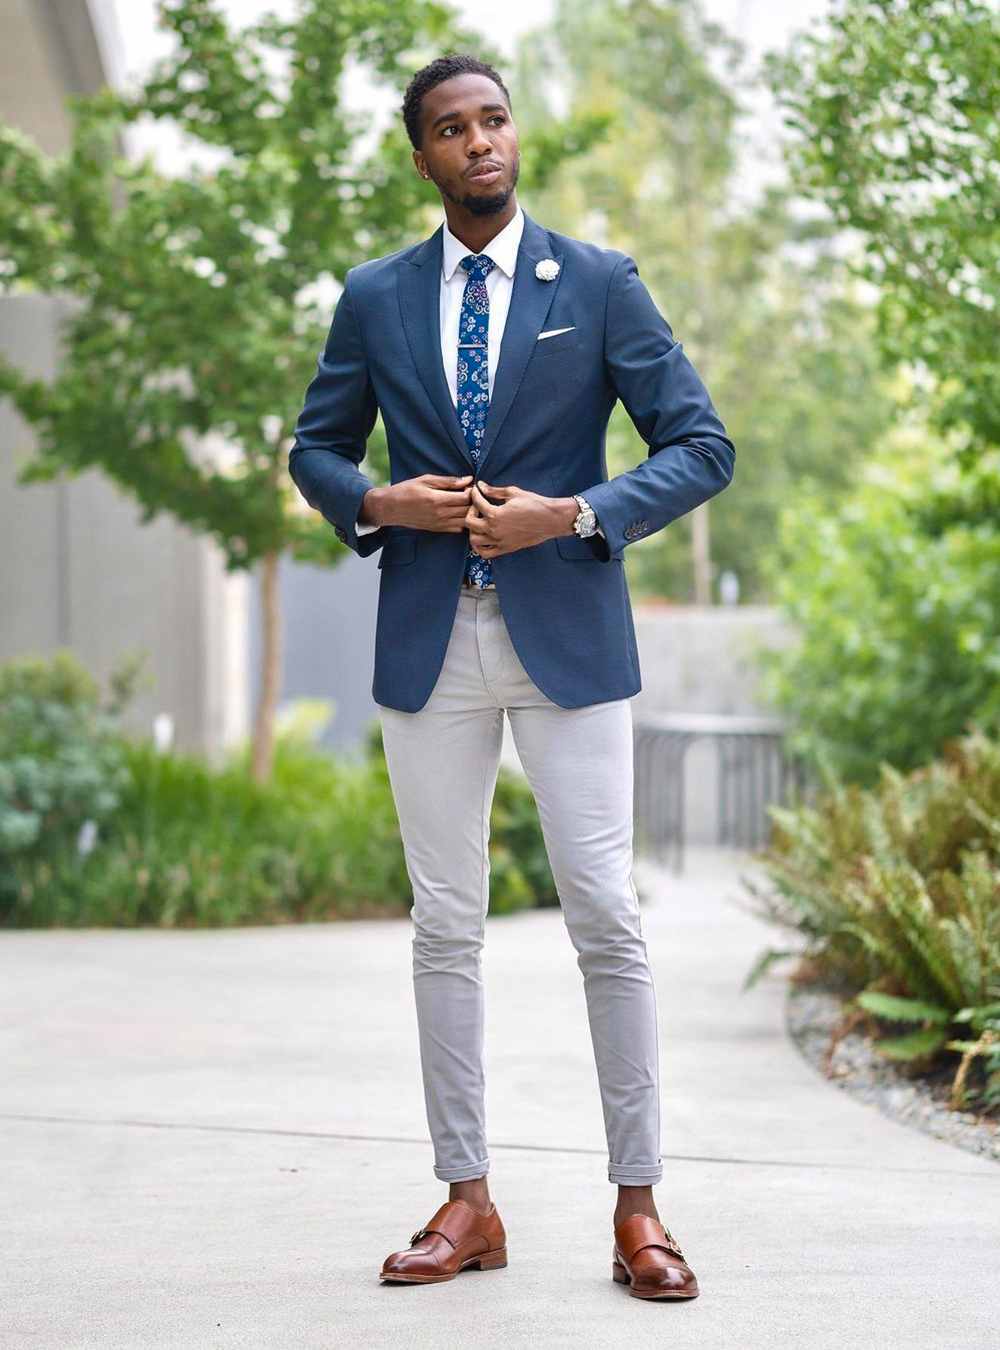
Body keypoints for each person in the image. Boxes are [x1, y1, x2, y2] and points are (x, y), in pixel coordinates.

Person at [288, 53, 735, 1300]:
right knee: (445, 924)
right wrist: (378, 499)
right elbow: (314, 448)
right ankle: (466, 1199)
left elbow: (703, 447)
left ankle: (638, 1205)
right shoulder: (375, 297)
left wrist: (576, 514)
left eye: (492, 119)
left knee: (604, 914)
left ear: (512, 136)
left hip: (569, 645)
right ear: (421, 155)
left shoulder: (596, 282)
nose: (478, 141)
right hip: (429, 645)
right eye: (450, 127)